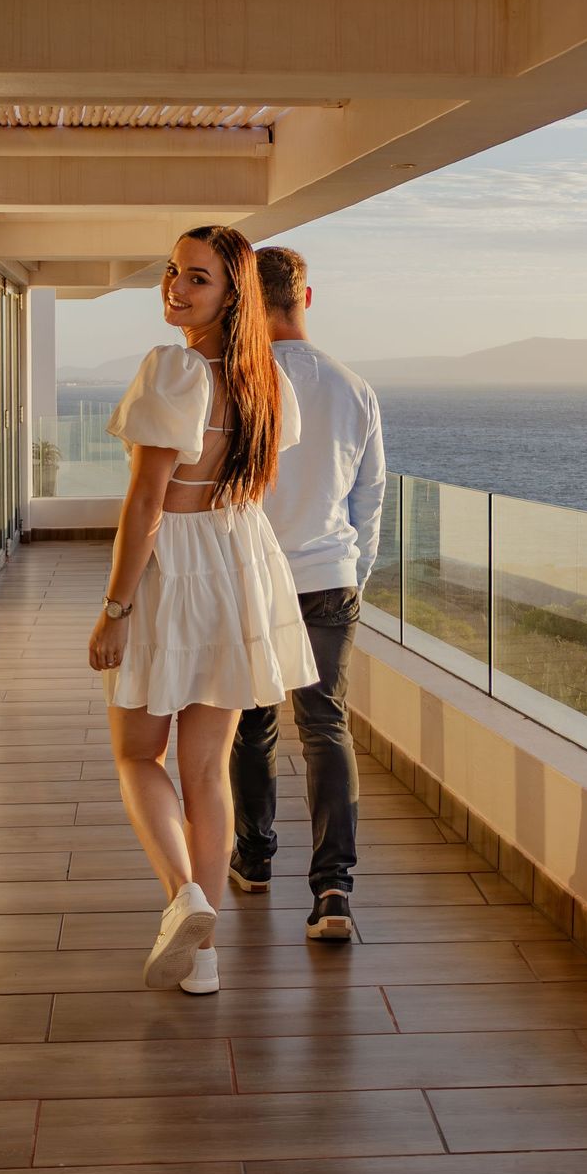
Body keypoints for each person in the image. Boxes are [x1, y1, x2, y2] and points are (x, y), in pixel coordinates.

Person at [87, 226, 317, 996]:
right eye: (171, 272)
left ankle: (185, 898)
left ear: (231, 294)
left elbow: (148, 501)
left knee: (136, 754)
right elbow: (259, 485)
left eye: (197, 279)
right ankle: (205, 961)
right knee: (207, 770)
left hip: (176, 566)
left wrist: (117, 607)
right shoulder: (267, 381)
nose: (175, 288)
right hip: (238, 560)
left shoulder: (175, 369)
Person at [229, 245, 386, 942]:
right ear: (306, 299)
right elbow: (369, 502)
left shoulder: (235, 382)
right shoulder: (354, 388)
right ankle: (333, 892)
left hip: (254, 580)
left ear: (247, 304)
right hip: (330, 579)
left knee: (253, 724)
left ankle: (255, 859)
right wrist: (356, 578)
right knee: (325, 726)